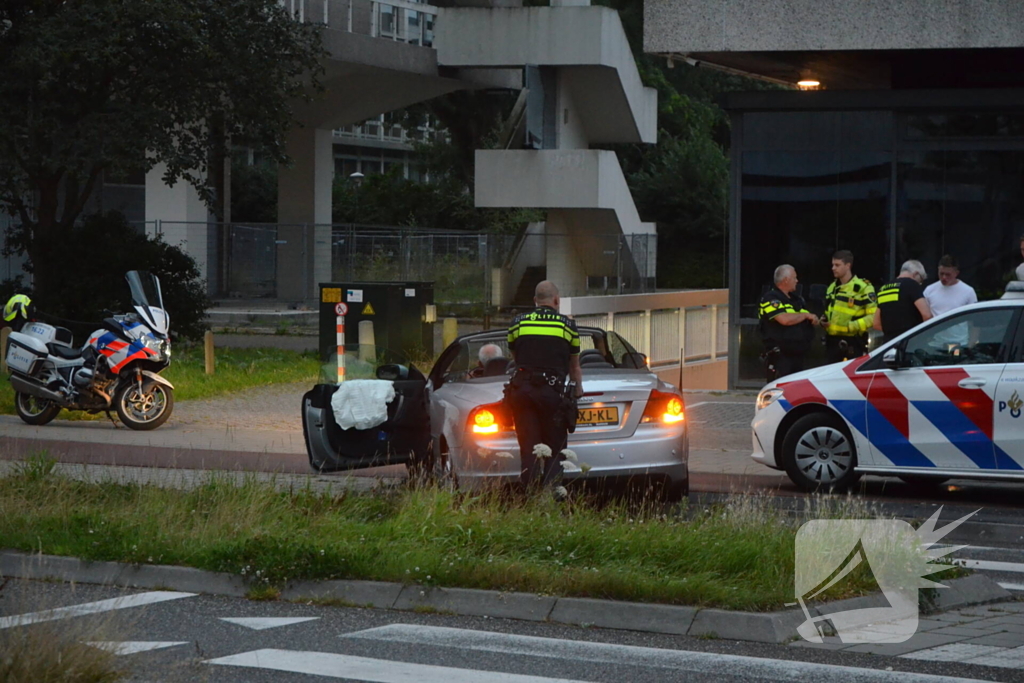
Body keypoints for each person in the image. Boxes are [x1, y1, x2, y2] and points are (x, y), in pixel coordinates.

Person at [506, 281, 583, 500]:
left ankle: (529, 499)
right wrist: (578, 390)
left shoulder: (517, 323)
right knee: (555, 449)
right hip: (553, 394)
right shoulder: (567, 326)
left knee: (529, 448)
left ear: (535, 301)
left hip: (523, 392)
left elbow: (515, 357)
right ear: (556, 301)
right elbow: (574, 366)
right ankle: (553, 498)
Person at [758, 264, 818, 383]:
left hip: (797, 354)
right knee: (780, 393)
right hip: (781, 357)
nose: (797, 281)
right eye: (794, 278)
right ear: (786, 280)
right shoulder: (771, 298)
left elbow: (811, 319)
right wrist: (805, 316)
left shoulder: (796, 300)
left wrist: (815, 319)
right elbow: (784, 319)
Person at [822, 250, 876, 364]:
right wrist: (823, 320)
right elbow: (828, 312)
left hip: (853, 342)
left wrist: (852, 326)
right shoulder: (832, 287)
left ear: (848, 266)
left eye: (837, 265)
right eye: (832, 265)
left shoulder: (863, 287)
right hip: (832, 342)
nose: (833, 268)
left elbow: (873, 316)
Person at [874, 260, 933, 344]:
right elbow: (927, 315)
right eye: (921, 280)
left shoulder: (883, 289)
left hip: (888, 345)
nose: (920, 283)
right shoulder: (912, 284)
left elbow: (876, 323)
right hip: (910, 344)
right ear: (916, 274)